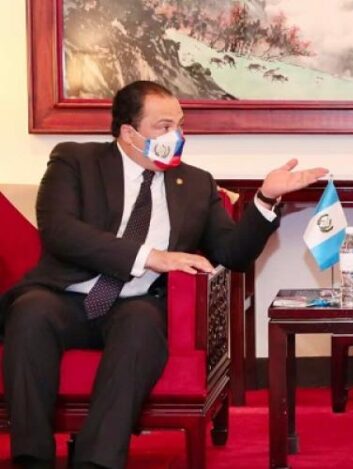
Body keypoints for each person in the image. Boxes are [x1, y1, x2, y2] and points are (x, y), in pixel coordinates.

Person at [0, 80, 327, 469]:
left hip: (138, 302)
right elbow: (60, 231)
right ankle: (31, 458)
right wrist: (150, 256)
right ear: (129, 133)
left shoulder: (196, 184)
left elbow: (233, 254)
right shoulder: (75, 161)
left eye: (180, 125)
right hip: (65, 294)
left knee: (140, 326)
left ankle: (96, 461)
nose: (178, 136)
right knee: (30, 313)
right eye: (164, 126)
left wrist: (265, 199)